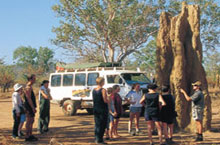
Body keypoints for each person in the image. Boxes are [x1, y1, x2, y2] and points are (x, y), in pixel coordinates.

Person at [93, 77, 109, 144]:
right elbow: (105, 100)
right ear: (102, 82)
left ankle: (97, 138)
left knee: (97, 124)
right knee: (102, 124)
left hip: (96, 108)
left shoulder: (94, 90)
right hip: (102, 109)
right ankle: (100, 140)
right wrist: (109, 100)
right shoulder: (103, 90)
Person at [24, 74, 38, 141]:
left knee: (32, 120)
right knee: (29, 121)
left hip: (31, 107)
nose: (35, 80)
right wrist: (32, 107)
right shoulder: (28, 88)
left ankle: (30, 134)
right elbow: (29, 98)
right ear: (30, 79)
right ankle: (27, 136)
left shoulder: (30, 87)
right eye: (34, 79)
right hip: (28, 107)